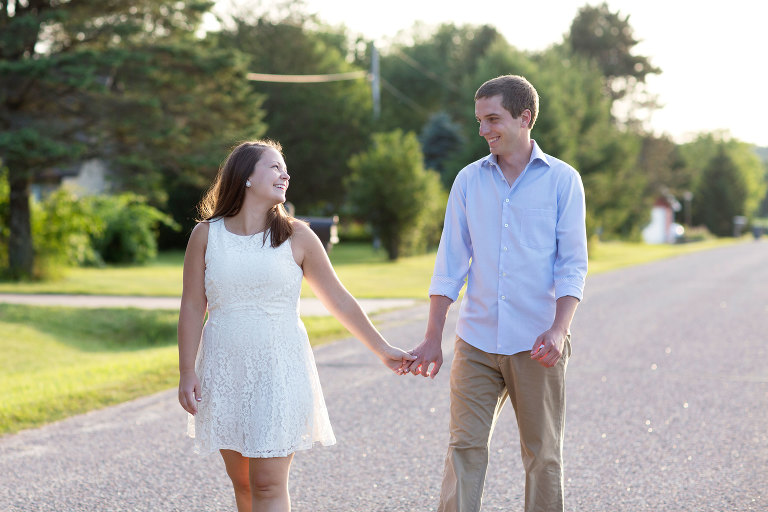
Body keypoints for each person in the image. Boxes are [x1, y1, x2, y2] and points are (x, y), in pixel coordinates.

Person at [177, 139, 415, 512]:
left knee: (268, 485)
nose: (285, 174)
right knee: (243, 485)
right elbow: (192, 306)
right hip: (224, 370)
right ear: (246, 178)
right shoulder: (206, 235)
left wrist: (383, 349)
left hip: (279, 369)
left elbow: (339, 300)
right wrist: (186, 370)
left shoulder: (296, 235)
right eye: (274, 167)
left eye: (285, 168)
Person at [405, 75, 588, 512]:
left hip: (538, 342)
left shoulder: (563, 180)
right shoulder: (469, 181)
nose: (484, 130)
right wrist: (433, 336)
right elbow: (450, 264)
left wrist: (560, 330)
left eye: (493, 119)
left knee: (543, 456)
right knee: (464, 449)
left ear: (525, 118)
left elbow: (572, 266)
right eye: (479, 121)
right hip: (477, 341)